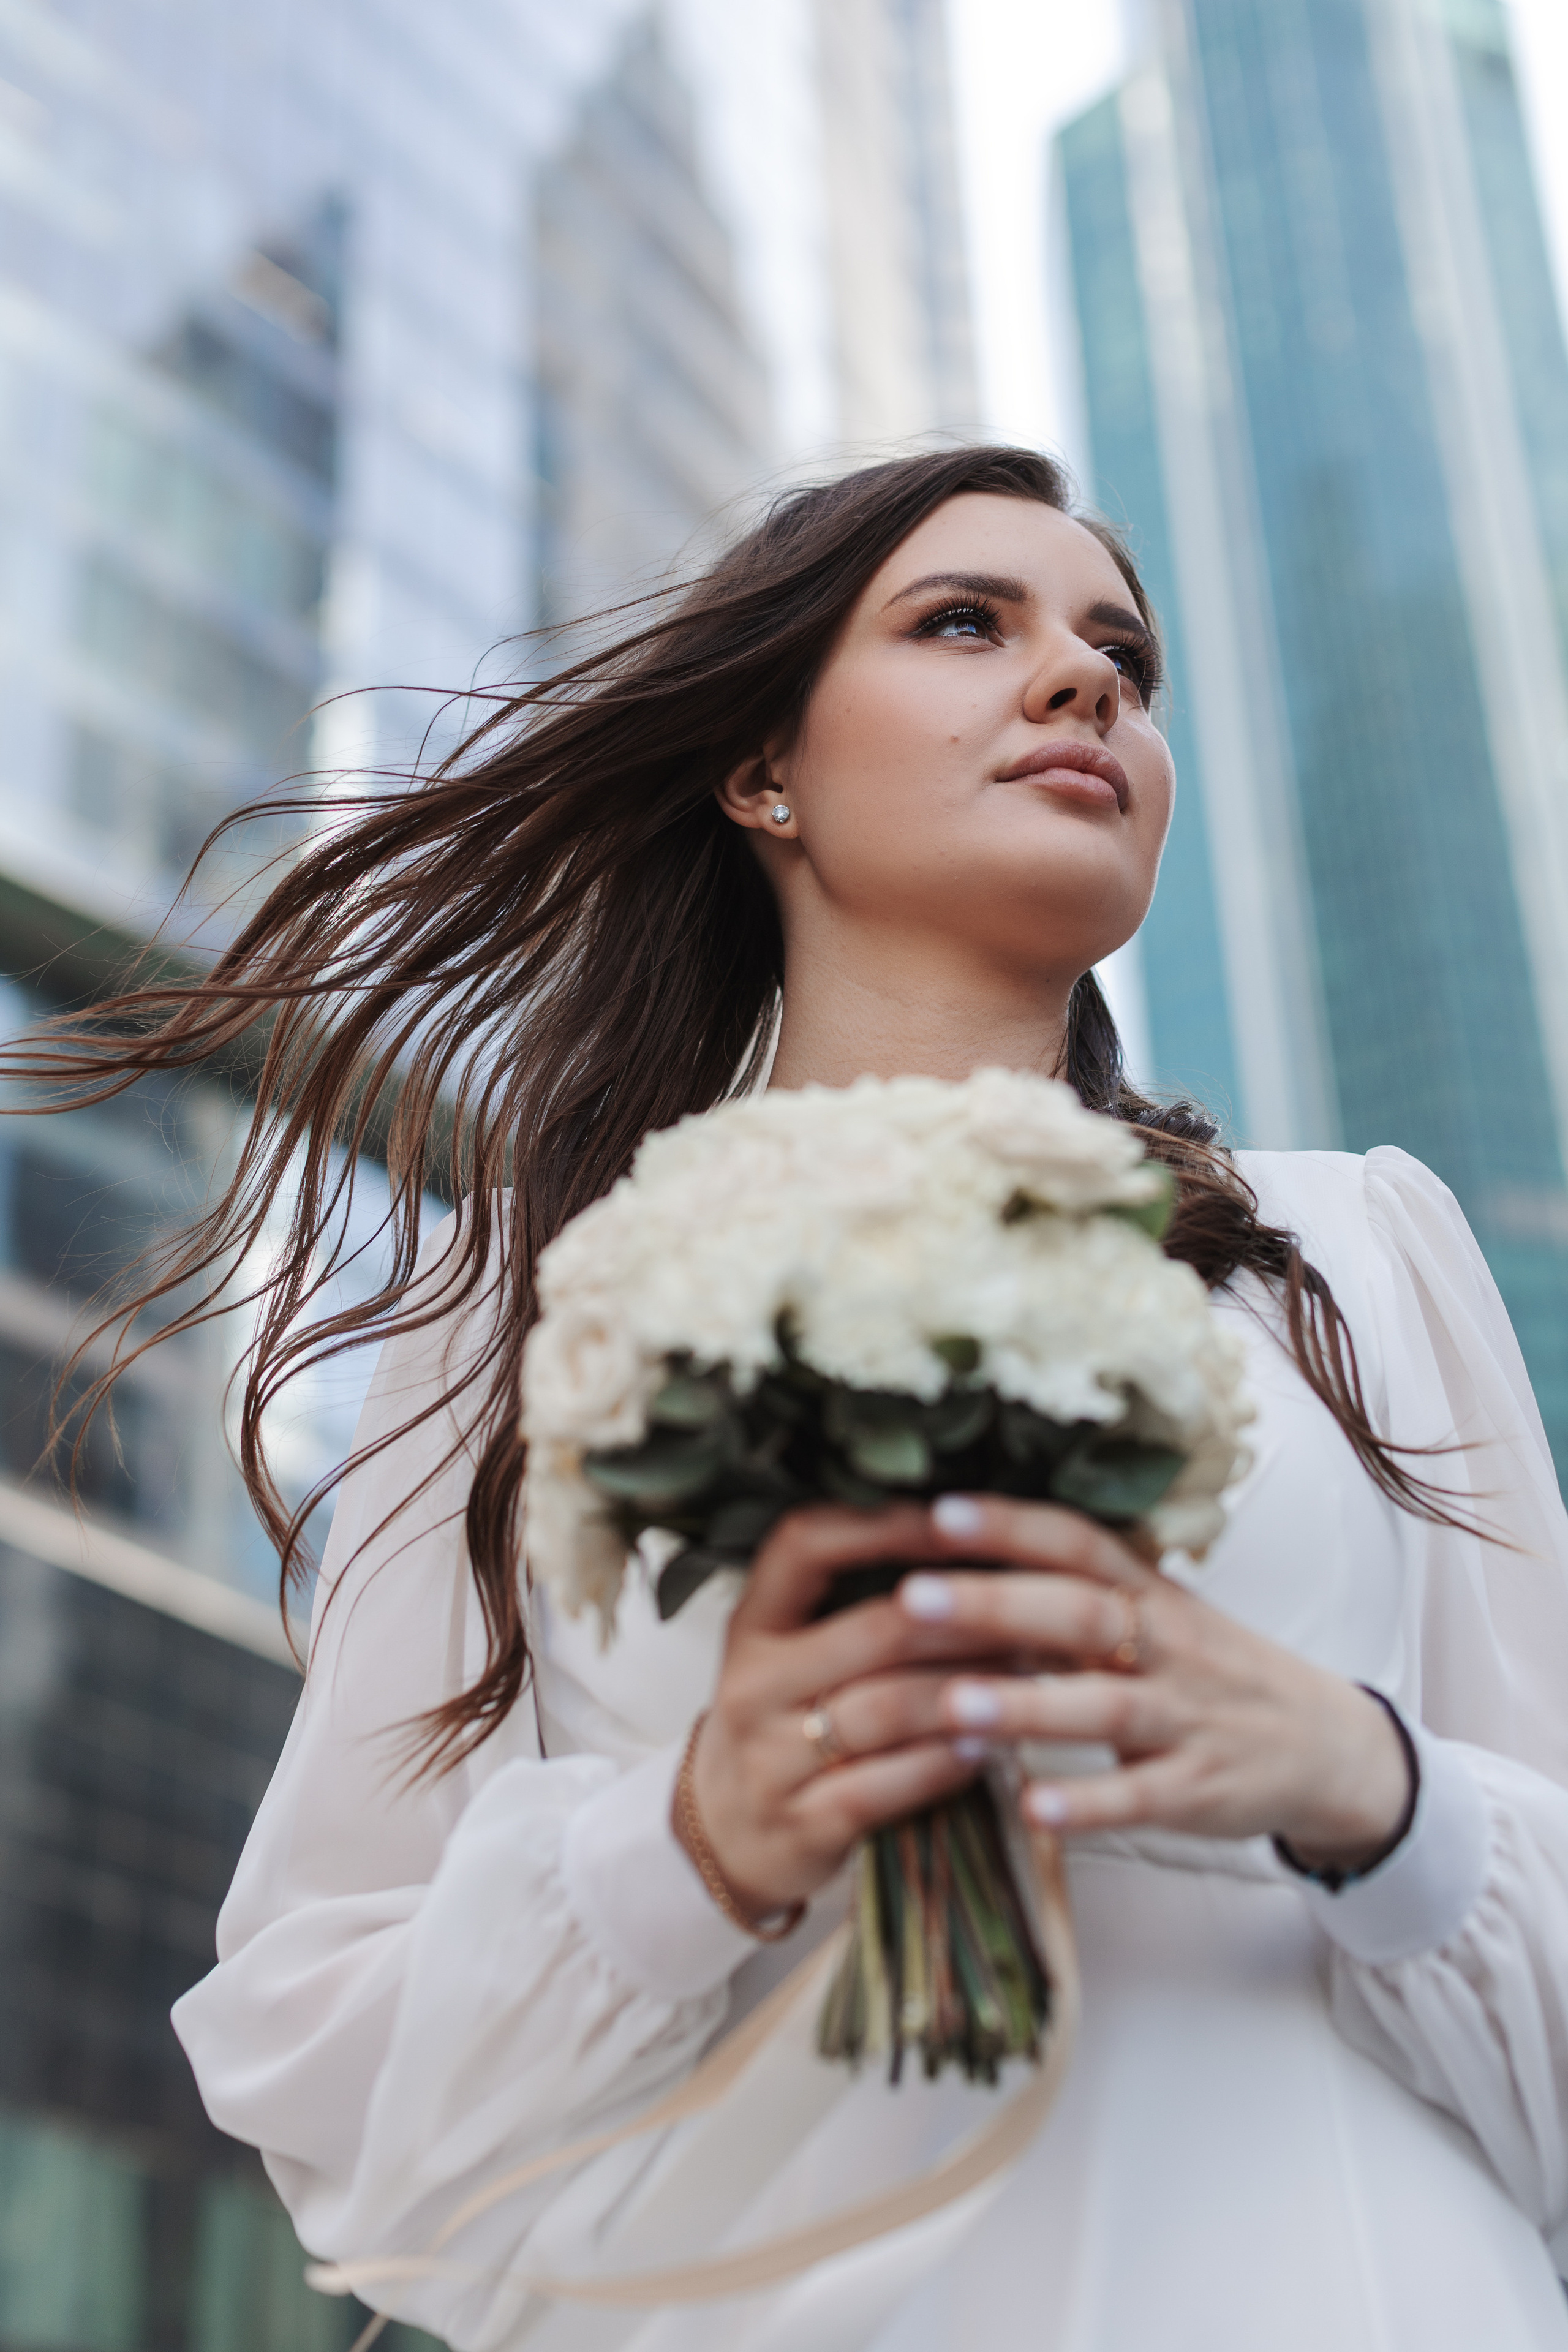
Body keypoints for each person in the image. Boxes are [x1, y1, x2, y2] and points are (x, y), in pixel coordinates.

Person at [17, 447, 1568, 2349]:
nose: (1087, 685)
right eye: (966, 624)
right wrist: (698, 1841)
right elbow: (329, 2077)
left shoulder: (1360, 1255)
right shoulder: (529, 1296)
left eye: (1125, 658)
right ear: (764, 770)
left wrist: (1369, 1787)